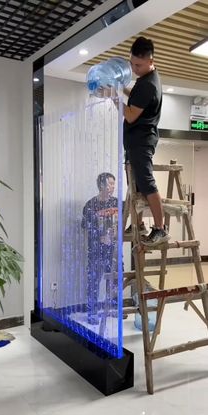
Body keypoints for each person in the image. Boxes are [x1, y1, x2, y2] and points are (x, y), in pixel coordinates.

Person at [123, 36, 170, 246]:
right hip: (135, 141)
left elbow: (131, 114)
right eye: (132, 63)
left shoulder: (149, 85)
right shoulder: (145, 80)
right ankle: (138, 224)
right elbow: (134, 96)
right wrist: (118, 90)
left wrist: (115, 99)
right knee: (135, 184)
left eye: (138, 65)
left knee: (146, 183)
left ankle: (160, 228)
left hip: (142, 141)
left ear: (151, 61)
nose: (134, 68)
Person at [81, 173, 118, 324]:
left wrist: (117, 232)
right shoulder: (91, 204)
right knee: (94, 281)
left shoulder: (116, 202)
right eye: (110, 183)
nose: (113, 187)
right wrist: (99, 237)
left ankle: (113, 308)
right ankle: (92, 313)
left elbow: (121, 222)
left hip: (113, 249)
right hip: (96, 250)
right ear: (101, 185)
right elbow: (85, 227)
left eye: (114, 184)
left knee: (115, 279)